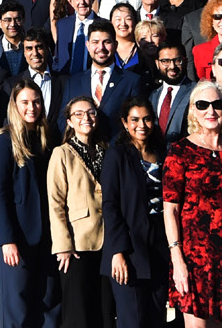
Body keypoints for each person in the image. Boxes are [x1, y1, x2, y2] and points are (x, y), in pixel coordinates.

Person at [164, 80, 222, 327]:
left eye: (217, 104)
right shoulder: (180, 151)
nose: (210, 111)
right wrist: (177, 258)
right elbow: (170, 209)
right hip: (194, 258)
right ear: (193, 110)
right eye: (202, 105)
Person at [0, 79, 60, 328]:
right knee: (17, 309)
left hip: (49, 236)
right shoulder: (4, 141)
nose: (32, 107)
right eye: (25, 102)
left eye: (36, 102)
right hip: (18, 237)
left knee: (49, 303)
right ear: (14, 105)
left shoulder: (48, 138)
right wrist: (7, 239)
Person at [99, 99, 168, 328]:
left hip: (159, 247)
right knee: (133, 321)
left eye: (147, 119)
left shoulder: (162, 153)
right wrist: (117, 252)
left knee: (156, 319)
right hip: (129, 250)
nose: (142, 125)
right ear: (125, 123)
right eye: (135, 120)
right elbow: (110, 205)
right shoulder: (117, 155)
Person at [48, 95, 114, 328]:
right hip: (76, 245)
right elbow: (55, 202)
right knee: (78, 314)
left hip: (107, 242)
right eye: (78, 114)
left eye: (91, 112)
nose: (86, 117)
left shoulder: (107, 151)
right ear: (69, 121)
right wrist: (63, 245)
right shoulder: (62, 153)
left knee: (104, 312)